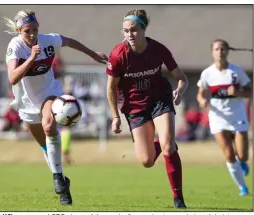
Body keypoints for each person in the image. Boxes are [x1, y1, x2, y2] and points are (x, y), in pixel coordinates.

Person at [3, 9, 107, 205]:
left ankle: (57, 178)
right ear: (19, 31)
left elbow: (70, 41)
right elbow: (12, 78)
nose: (32, 34)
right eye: (27, 31)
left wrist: (92, 54)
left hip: (49, 92)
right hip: (26, 101)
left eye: (35, 29)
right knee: (44, 145)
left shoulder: (48, 40)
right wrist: (31, 59)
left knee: (50, 126)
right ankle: (63, 184)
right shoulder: (15, 47)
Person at [106, 9, 188, 209]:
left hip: (160, 99)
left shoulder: (159, 50)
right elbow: (111, 88)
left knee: (168, 148)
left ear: (144, 29)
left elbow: (182, 78)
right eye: (125, 31)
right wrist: (115, 116)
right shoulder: (118, 55)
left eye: (133, 30)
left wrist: (180, 90)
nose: (129, 35)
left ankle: (178, 199)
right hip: (134, 108)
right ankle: (164, 140)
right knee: (147, 160)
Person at [197, 39, 252, 196]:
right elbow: (200, 94)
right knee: (229, 154)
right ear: (212, 52)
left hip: (237, 115)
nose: (220, 51)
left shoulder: (236, 72)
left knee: (243, 155)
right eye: (217, 49)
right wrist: (202, 101)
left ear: (228, 51)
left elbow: (249, 91)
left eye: (223, 49)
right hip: (218, 117)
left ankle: (242, 163)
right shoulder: (207, 73)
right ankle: (242, 187)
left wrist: (238, 93)